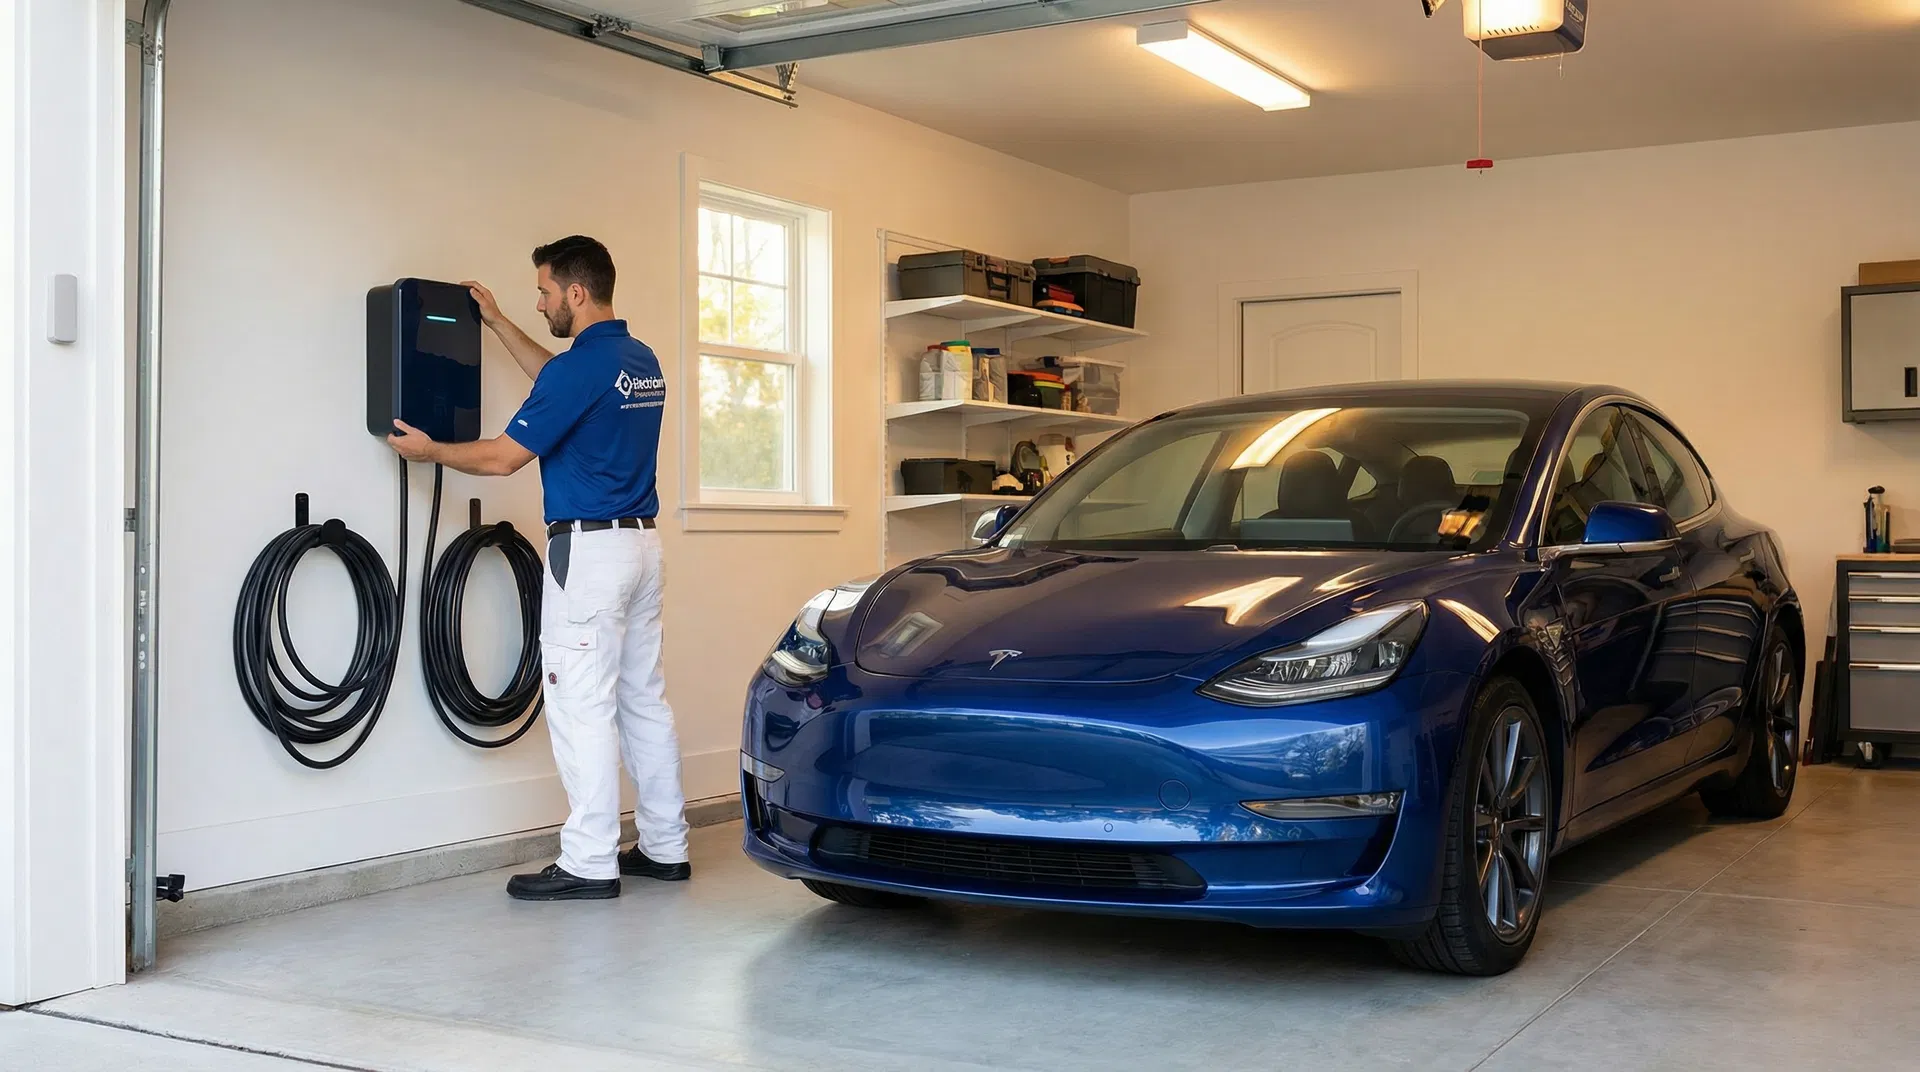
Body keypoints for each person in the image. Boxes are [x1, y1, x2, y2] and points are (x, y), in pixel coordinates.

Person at [387, 235, 690, 900]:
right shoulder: (637, 360)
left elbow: (502, 458)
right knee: (643, 700)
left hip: (588, 554)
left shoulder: (576, 372)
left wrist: (432, 450)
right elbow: (556, 377)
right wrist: (496, 322)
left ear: (576, 294)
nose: (541, 301)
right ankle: (666, 848)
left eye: (545, 292)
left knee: (581, 705)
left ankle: (589, 862)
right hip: (642, 547)